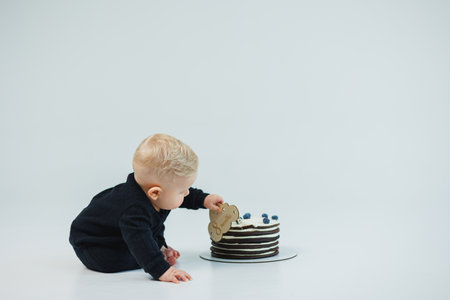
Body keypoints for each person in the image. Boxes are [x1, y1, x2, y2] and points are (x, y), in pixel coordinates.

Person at [69, 133, 223, 283]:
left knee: (147, 236)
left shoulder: (156, 194)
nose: (187, 193)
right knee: (133, 253)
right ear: (155, 192)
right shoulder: (134, 210)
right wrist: (162, 269)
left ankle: (158, 249)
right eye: (182, 191)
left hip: (117, 234)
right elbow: (139, 240)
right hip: (94, 245)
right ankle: (157, 253)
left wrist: (204, 199)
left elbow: (178, 197)